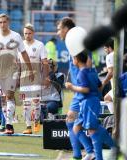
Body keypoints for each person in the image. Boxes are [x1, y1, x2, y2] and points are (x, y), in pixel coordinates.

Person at [65, 51, 115, 160]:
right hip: (86, 103)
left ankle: (101, 155)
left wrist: (71, 87)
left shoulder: (82, 73)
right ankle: (94, 152)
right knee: (76, 128)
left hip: (88, 103)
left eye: (73, 58)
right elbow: (99, 85)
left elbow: (86, 89)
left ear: (77, 60)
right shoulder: (92, 71)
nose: (72, 60)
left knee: (93, 129)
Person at [56, 17, 93, 159]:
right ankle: (81, 154)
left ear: (66, 29)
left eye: (59, 29)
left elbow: (88, 62)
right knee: (72, 123)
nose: (58, 32)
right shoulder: (73, 43)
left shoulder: (76, 41)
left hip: (83, 91)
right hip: (80, 90)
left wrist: (81, 85)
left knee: (74, 123)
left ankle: (88, 152)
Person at [18, 23, 49, 134]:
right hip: (24, 78)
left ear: (33, 33)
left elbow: (45, 62)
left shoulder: (40, 45)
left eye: (29, 33)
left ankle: (36, 121)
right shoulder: (20, 46)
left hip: (36, 77)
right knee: (26, 104)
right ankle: (28, 126)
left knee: (36, 101)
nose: (27, 35)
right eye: (25, 33)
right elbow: (17, 63)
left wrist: (46, 77)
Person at [102, 39, 114, 113]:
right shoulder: (120, 54)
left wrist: (103, 83)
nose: (105, 50)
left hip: (119, 86)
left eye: (105, 48)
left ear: (109, 47)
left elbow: (111, 73)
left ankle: (115, 118)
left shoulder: (109, 56)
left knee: (107, 98)